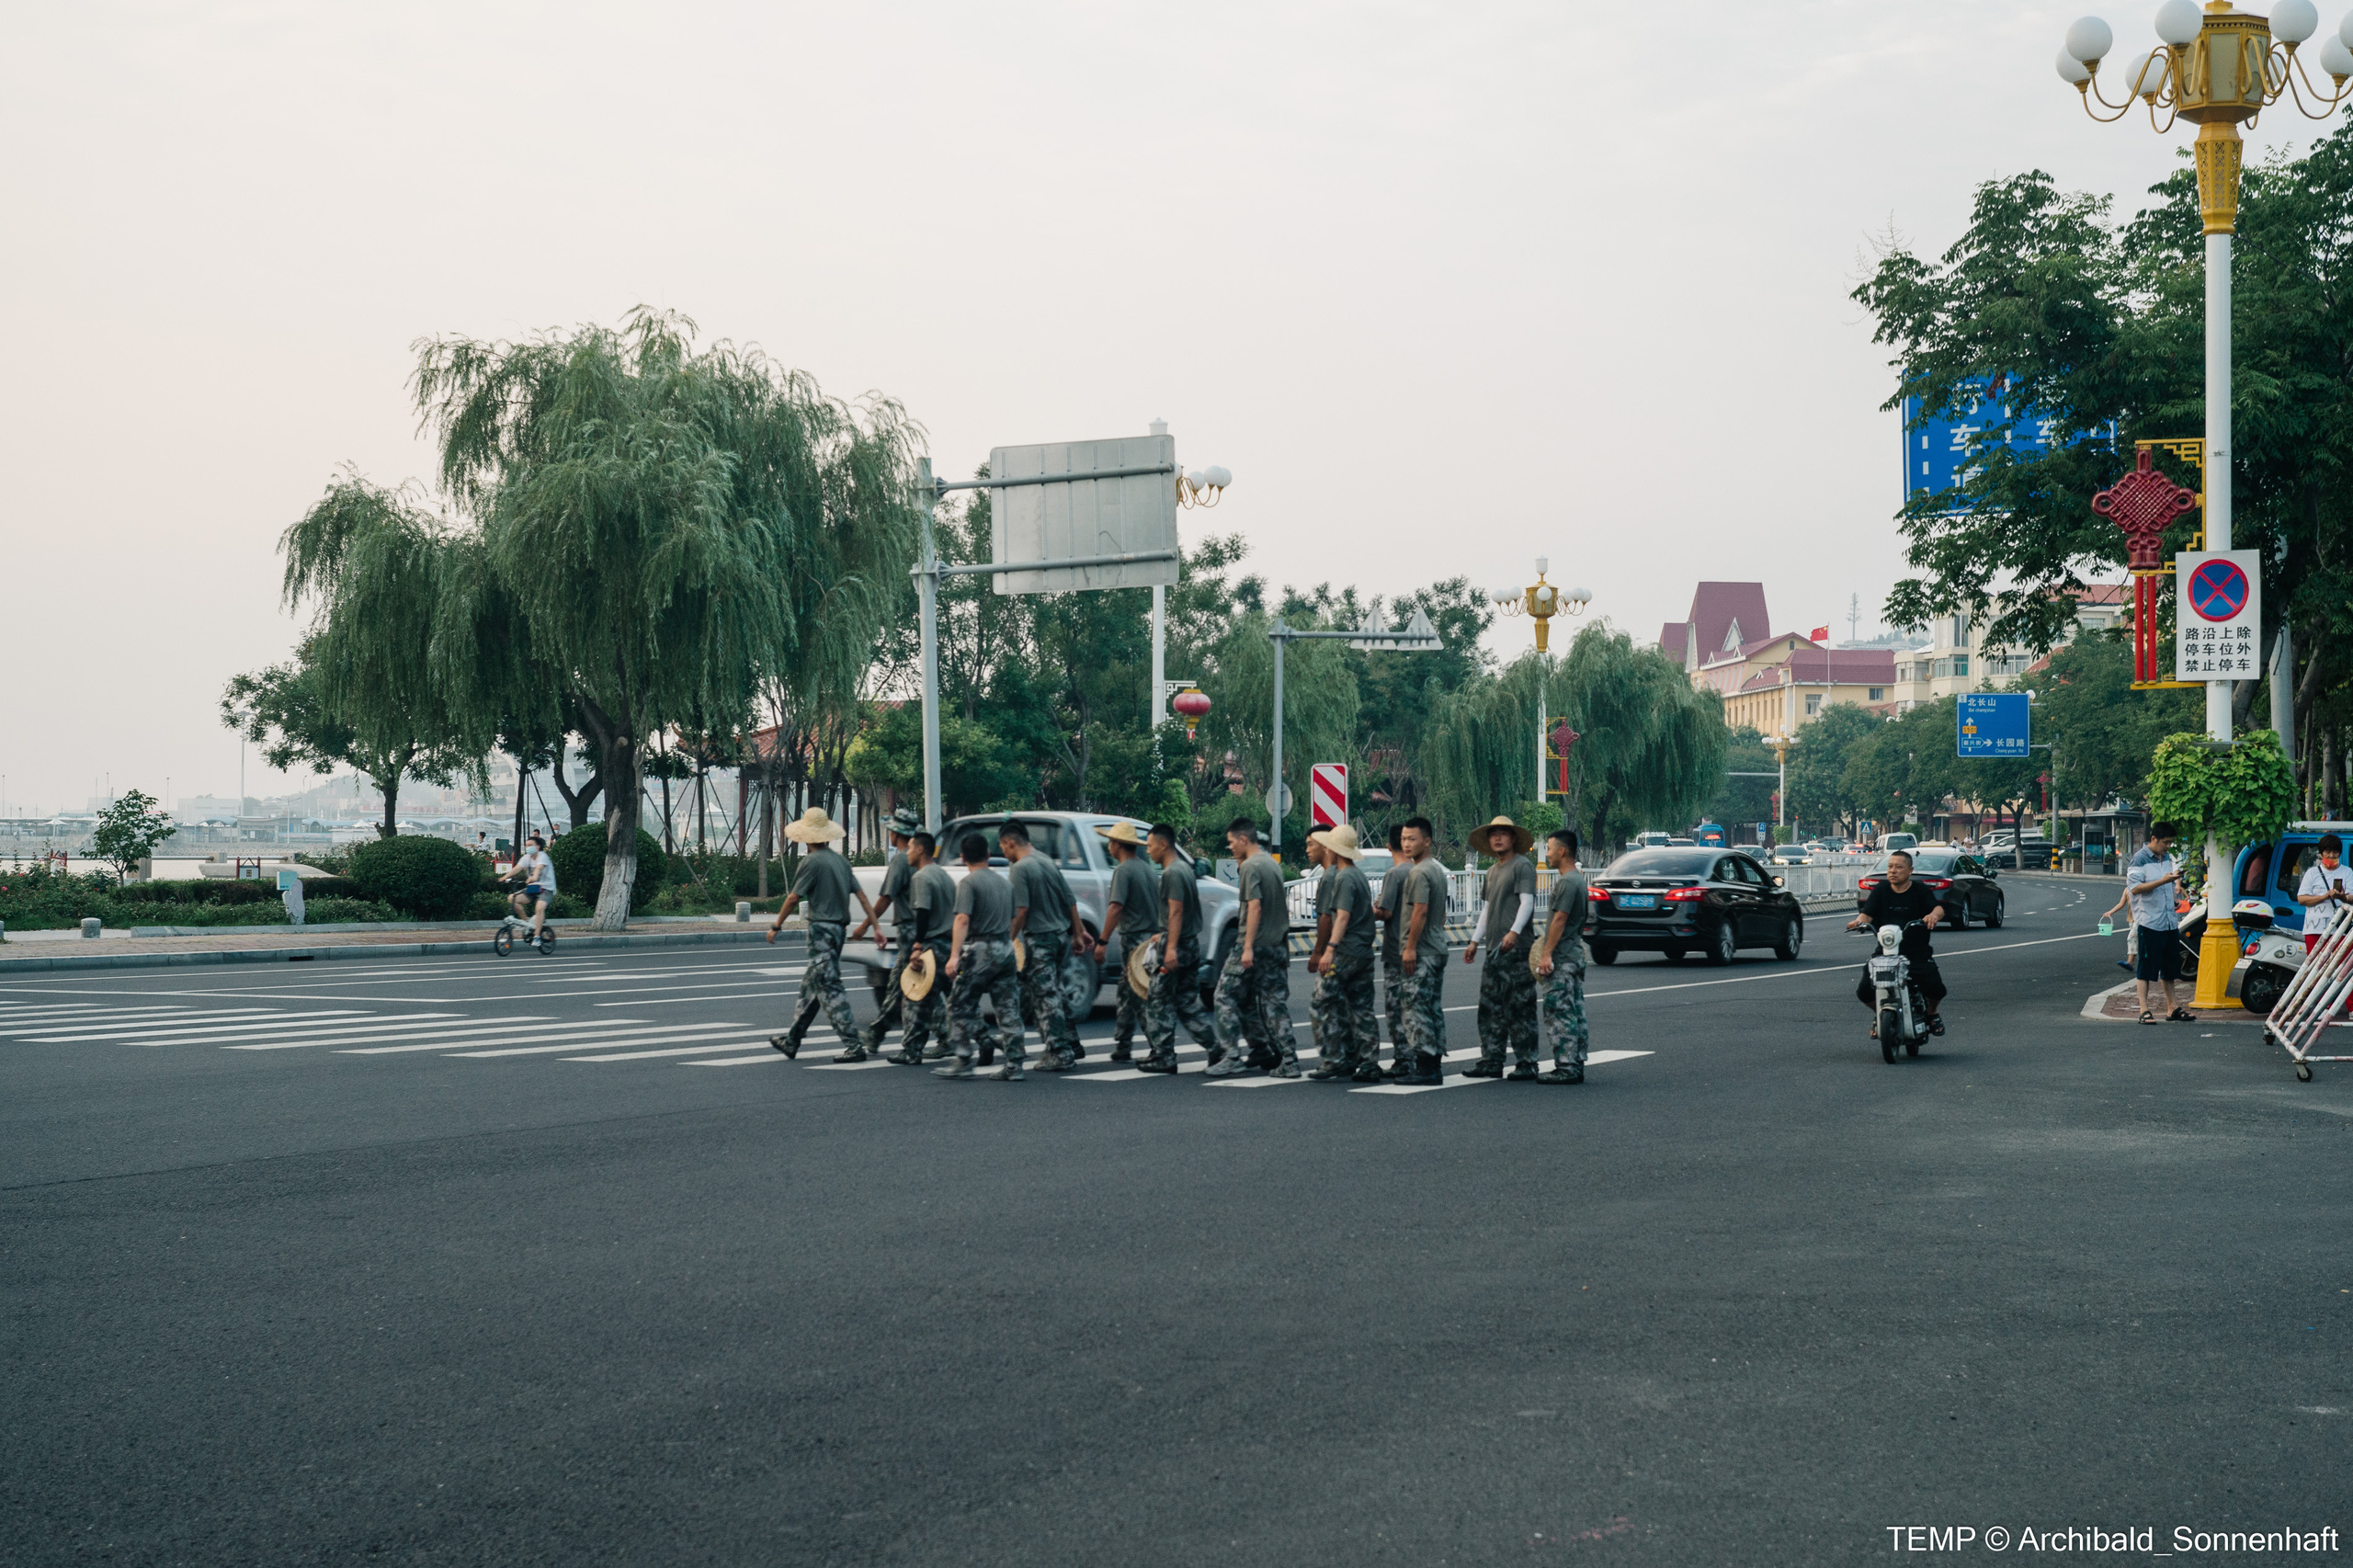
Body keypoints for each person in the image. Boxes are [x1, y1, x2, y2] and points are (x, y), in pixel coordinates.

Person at [767, 809, 876, 1059]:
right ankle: (792, 1041)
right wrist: (876, 927)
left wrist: (776, 926)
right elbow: (861, 896)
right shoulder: (841, 861)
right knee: (811, 987)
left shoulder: (812, 862)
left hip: (821, 932)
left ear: (807, 837)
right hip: (838, 931)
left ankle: (854, 1045)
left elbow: (794, 897)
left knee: (828, 987)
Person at [1210, 816, 1298, 1078]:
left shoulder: (1250, 867)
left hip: (1253, 944)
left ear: (1243, 839)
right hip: (1276, 945)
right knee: (1268, 1003)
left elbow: (1255, 906)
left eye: (1232, 842)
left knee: (1223, 997)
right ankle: (1284, 1058)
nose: (1231, 848)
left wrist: (1247, 946)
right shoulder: (1271, 864)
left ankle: (1231, 1056)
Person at [1003, 821, 1095, 1072]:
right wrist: (1078, 932)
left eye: (1003, 848)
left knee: (1046, 997)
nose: (1004, 854)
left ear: (1010, 842)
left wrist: (1007, 940)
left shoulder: (1020, 869)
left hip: (1041, 938)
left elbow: (1022, 911)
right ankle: (1072, 1041)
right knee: (1057, 990)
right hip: (1060, 937)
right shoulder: (1045, 860)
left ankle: (1059, 1052)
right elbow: (1070, 899)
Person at [937, 833, 1025, 1081]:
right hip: (1006, 949)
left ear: (963, 858)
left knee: (959, 1003)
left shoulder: (969, 883)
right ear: (988, 855)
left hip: (981, 949)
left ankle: (963, 1059)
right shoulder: (1005, 883)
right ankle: (1015, 1065)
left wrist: (954, 956)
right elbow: (1013, 918)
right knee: (1008, 1008)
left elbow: (962, 918)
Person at [841, 806, 923, 1062]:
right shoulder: (921, 860)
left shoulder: (901, 860)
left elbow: (886, 897)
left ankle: (877, 1034)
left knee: (900, 984)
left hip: (910, 930)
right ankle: (944, 1036)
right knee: (924, 987)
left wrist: (866, 925)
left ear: (896, 834)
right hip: (922, 928)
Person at [1462, 815, 1540, 1081]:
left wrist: (1514, 933)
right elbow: (1486, 909)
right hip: (1494, 949)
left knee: (1520, 1007)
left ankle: (1527, 1062)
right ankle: (1491, 1059)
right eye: (1493, 834)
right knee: (1490, 1007)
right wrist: (1474, 940)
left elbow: (1526, 903)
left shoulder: (1523, 866)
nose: (1497, 838)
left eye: (1503, 833)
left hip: (1517, 950)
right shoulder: (1493, 871)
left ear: (1513, 838)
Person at [1844, 848, 1947, 1035]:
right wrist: (1858, 923)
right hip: (1885, 952)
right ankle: (1879, 1014)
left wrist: (1933, 916)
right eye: (1890, 866)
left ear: (1910, 871)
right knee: (1864, 990)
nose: (1893, 871)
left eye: (1899, 867)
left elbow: (1938, 909)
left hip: (1916, 952)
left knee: (1936, 988)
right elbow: (1866, 915)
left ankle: (1932, 1013)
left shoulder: (1920, 890)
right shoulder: (1880, 890)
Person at [1141, 824, 1217, 1073]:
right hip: (1189, 944)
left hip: (1177, 946)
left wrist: (1169, 947)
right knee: (1186, 1001)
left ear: (1164, 844)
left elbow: (1176, 911)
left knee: (1158, 1000)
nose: (1149, 851)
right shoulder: (1185, 869)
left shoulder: (1173, 873)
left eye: (1151, 846)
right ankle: (1215, 1047)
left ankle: (1163, 1055)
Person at [1304, 823, 1379, 1081]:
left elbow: (1341, 917)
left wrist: (1328, 950)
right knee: (1361, 1007)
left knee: (1321, 1002)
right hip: (1363, 952)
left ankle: (1334, 1059)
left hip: (1345, 951)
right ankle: (1367, 1062)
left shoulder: (1344, 877)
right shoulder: (1358, 875)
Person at [883, 833, 956, 1066]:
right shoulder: (943, 874)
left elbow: (922, 914)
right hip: (946, 944)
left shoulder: (921, 877)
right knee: (958, 1000)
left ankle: (912, 1050)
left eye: (911, 848)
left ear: (921, 850)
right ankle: (978, 1041)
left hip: (931, 945)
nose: (908, 853)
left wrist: (917, 946)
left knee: (916, 1000)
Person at [1097, 822, 1161, 1061]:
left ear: (1116, 845)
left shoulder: (1122, 871)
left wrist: (1102, 941)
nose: (1109, 847)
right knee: (1127, 991)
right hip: (1150, 939)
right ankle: (1123, 1043)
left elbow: (1116, 908)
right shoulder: (1147, 869)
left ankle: (1158, 1046)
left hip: (1134, 940)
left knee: (1139, 993)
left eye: (1110, 843)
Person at [1394, 816, 1450, 1085]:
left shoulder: (1418, 873)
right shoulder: (1435, 869)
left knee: (1415, 1007)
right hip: (1436, 946)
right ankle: (1433, 1062)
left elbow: (1421, 910)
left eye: (1412, 839)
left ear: (1427, 841)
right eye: (1403, 839)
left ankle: (1426, 1066)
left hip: (1423, 950)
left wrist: (1410, 948)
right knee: (1431, 1006)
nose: (1406, 844)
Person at [1532, 827, 1590, 1084]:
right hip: (1574, 954)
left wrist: (1546, 955)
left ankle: (1565, 1066)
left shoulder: (1567, 882)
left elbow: (1559, 919)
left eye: (1550, 848)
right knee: (1576, 1011)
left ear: (1562, 851)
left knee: (1559, 1012)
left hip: (1563, 957)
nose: (1547, 853)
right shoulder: (1578, 879)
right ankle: (1576, 1063)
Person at [2122, 823, 2189, 1023]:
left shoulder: (2166, 857)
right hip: (2149, 921)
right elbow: (2134, 888)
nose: (2168, 846)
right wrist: (2163, 881)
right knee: (2146, 967)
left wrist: (2172, 896)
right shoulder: (2139, 859)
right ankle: (2144, 1010)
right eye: (2165, 842)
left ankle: (2172, 1007)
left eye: (2170, 842)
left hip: (2169, 920)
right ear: (2153, 839)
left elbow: (2165, 883)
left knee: (2170, 967)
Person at [1372, 824, 1411, 1075]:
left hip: (1397, 947)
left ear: (1388, 847)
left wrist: (1373, 907)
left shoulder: (1395, 875)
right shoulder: (1424, 870)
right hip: (1418, 950)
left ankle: (1404, 1060)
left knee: (1396, 1010)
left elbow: (1384, 912)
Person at [2295, 831, 2353, 952]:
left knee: (2341, 968)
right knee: (2314, 966)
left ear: (2339, 853)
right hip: (2314, 930)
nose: (2331, 855)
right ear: (2321, 853)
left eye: (2335, 852)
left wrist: (2342, 897)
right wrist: (2325, 896)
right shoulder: (2312, 873)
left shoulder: (2347, 872)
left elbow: (2351, 896)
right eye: (2327, 851)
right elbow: (2301, 899)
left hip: (2341, 929)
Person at [503, 833, 555, 940]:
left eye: (530, 845)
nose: (528, 847)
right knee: (512, 898)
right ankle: (527, 922)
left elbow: (539, 868)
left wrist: (534, 877)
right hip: (533, 889)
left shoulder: (542, 856)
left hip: (546, 889)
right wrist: (504, 877)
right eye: (526, 845)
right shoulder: (526, 858)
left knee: (539, 908)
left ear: (537, 846)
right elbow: (517, 868)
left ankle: (537, 937)